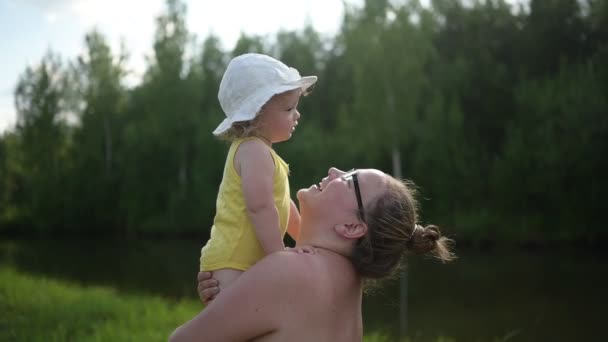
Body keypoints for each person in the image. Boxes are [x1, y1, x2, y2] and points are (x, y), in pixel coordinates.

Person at [170, 167, 455, 342]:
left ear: (352, 226)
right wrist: (231, 296)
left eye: (348, 180)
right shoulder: (348, 287)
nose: (334, 171)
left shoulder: (292, 271)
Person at [200, 53, 317, 293]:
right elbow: (260, 208)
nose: (297, 115)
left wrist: (307, 240)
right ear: (257, 114)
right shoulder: (254, 151)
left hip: (238, 262)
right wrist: (278, 255)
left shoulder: (263, 153)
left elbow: (284, 206)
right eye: (289, 108)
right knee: (239, 328)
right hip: (234, 263)